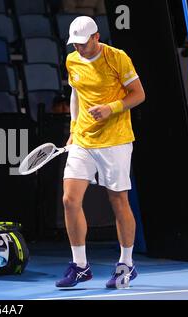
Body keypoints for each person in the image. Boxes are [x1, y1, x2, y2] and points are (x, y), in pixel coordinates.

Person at [55, 16, 146, 288]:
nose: (79, 49)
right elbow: (76, 95)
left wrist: (111, 108)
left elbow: (138, 94)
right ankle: (81, 265)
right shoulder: (72, 60)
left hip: (115, 140)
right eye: (75, 44)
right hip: (83, 139)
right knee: (70, 200)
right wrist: (73, 129)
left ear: (96, 37)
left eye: (83, 43)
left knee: (118, 201)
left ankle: (126, 263)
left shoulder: (117, 58)